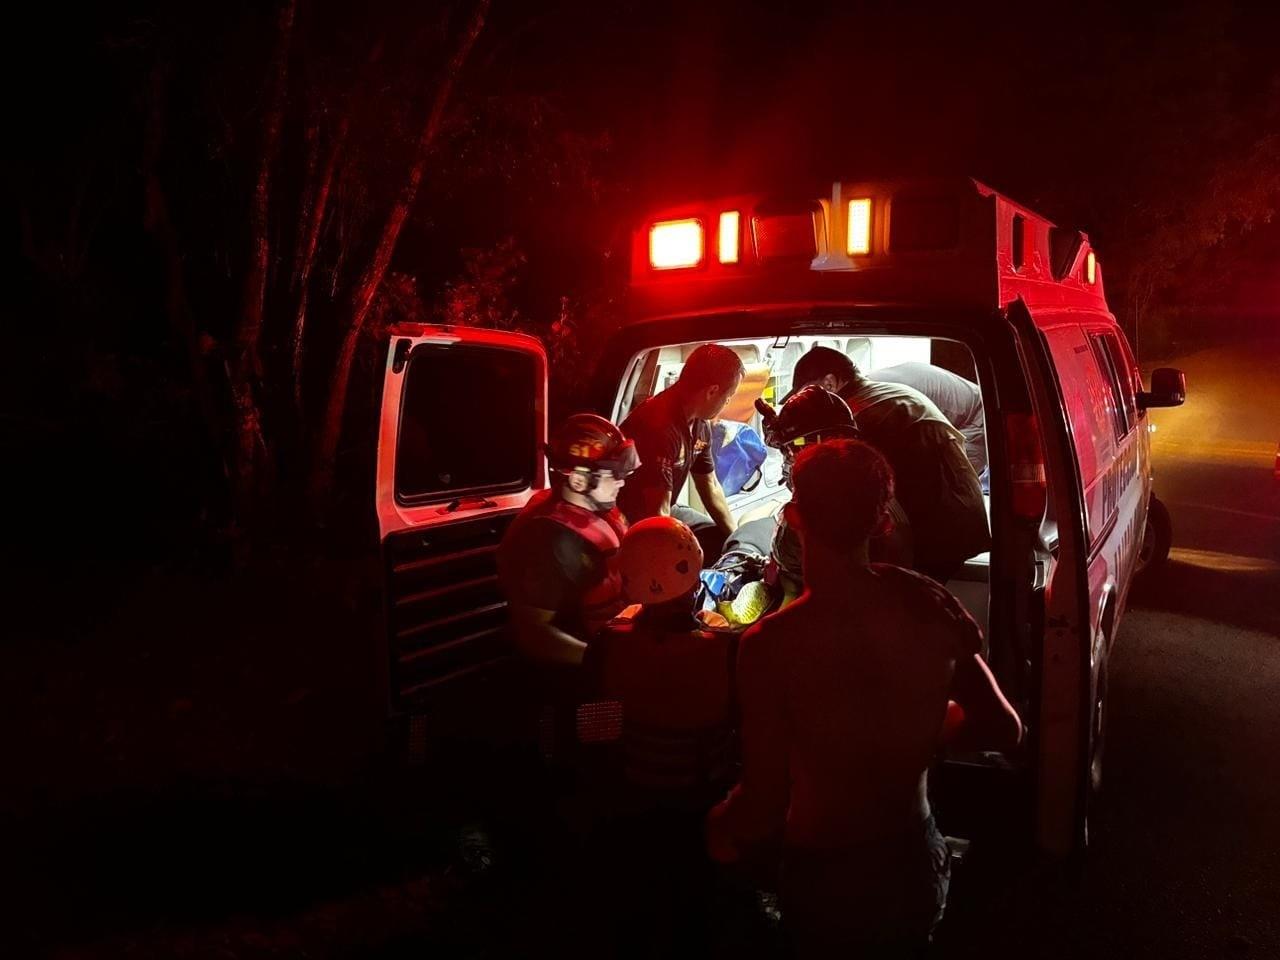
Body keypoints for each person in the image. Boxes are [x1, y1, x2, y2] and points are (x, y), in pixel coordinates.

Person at [705, 439, 1023, 955]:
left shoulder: (770, 646)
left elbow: (761, 806)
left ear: (793, 515)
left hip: (825, 874)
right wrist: (920, 726)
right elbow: (1005, 729)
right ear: (883, 524)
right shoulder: (929, 610)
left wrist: (718, 825)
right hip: (912, 862)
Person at [576, 516, 738, 956]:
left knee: (638, 902)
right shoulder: (725, 647)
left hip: (632, 795)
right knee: (695, 908)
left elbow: (594, 730)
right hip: (702, 800)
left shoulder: (609, 642)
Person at [791, 346, 988, 582]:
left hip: (938, 534)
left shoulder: (858, 416)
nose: (806, 403)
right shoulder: (887, 393)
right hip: (962, 520)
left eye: (807, 394)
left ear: (830, 383)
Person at [497, 412, 639, 666]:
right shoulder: (549, 541)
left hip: (618, 639)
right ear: (578, 480)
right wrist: (610, 663)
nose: (622, 482)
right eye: (613, 474)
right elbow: (533, 634)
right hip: (580, 676)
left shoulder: (599, 511)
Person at [756, 384, 913, 598]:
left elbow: (790, 591)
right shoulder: (876, 491)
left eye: (791, 450)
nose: (787, 459)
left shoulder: (800, 525)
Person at [619, 343, 744, 564]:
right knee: (685, 557)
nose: (726, 403)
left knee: (722, 541)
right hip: (632, 520)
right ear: (712, 391)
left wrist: (737, 541)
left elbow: (710, 486)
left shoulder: (699, 424)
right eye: (728, 397)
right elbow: (657, 511)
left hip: (667, 510)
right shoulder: (658, 426)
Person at [871, 361, 988, 486]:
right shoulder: (871, 387)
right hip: (966, 400)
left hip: (981, 419)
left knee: (952, 484)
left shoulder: (881, 404)